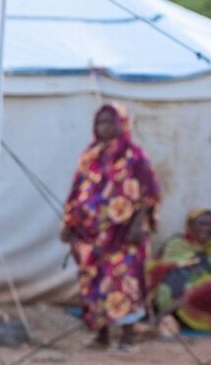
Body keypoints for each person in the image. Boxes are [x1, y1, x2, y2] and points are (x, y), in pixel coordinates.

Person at [59, 102, 161, 353]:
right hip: (90, 235)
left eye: (109, 121)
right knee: (94, 283)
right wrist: (69, 223)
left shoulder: (135, 156)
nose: (104, 127)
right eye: (99, 122)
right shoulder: (90, 155)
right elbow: (76, 191)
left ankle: (127, 339)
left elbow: (150, 193)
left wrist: (139, 224)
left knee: (123, 283)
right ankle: (101, 336)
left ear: (121, 124)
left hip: (123, 235)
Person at [150, 208, 211, 334]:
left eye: (210, 225)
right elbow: (160, 269)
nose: (206, 228)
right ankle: (171, 316)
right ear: (190, 225)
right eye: (201, 224)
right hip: (180, 298)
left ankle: (210, 324)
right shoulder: (176, 244)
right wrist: (194, 261)